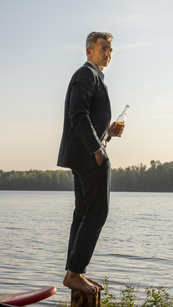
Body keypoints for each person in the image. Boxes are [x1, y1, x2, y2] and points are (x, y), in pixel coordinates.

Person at [57, 31, 124, 293]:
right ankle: (75, 273)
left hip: (86, 154)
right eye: (104, 48)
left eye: (111, 50)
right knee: (97, 213)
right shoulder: (86, 75)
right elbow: (78, 114)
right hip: (90, 158)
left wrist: (108, 133)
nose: (108, 53)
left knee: (83, 214)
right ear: (89, 51)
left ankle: (75, 272)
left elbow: (88, 120)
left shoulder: (96, 78)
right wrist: (98, 149)